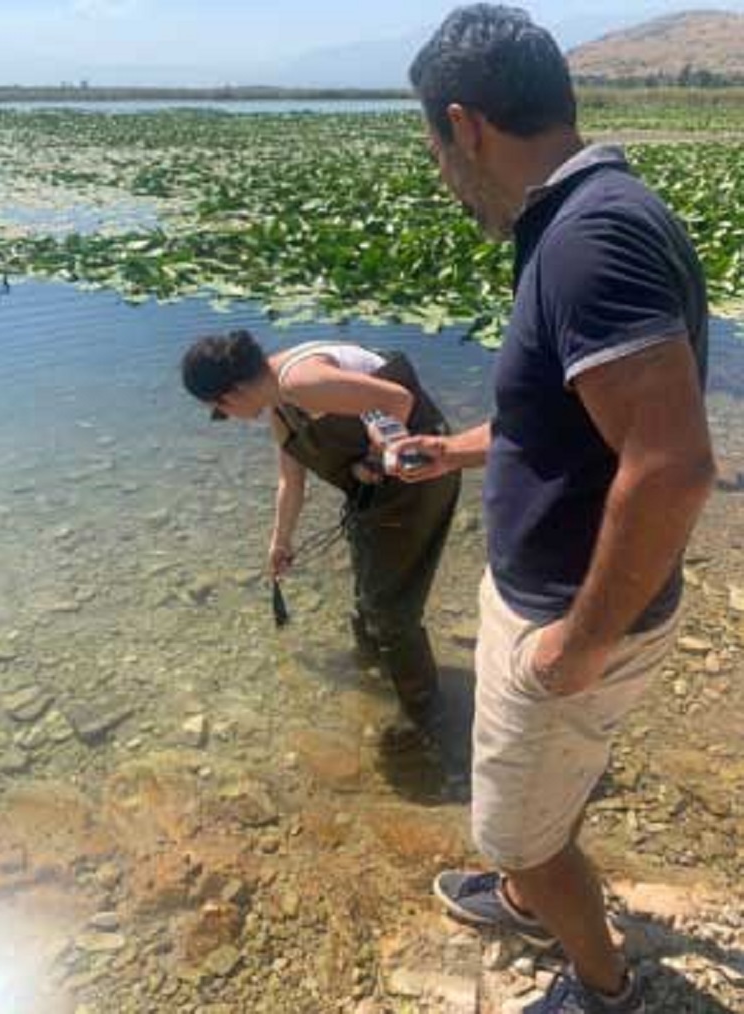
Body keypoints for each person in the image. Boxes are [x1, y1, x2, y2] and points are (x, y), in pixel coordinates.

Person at [395, 5, 715, 1012]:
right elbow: (564, 421)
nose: (445, 179)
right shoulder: (587, 215)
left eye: (438, 151)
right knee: (538, 800)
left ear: (467, 126)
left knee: (523, 833)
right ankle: (531, 889)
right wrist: (450, 448)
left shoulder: (589, 239)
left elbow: (669, 468)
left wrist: (577, 645)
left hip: (573, 619)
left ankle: (600, 982)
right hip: (554, 601)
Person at [181, 330, 460, 744]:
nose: (227, 418)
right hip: (374, 492)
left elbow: (398, 400)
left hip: (419, 478)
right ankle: (374, 662)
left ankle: (423, 714)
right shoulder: (279, 404)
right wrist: (280, 542)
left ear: (231, 394)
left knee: (391, 607)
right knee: (369, 589)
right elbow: (290, 482)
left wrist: (373, 459)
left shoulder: (300, 381)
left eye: (218, 411)